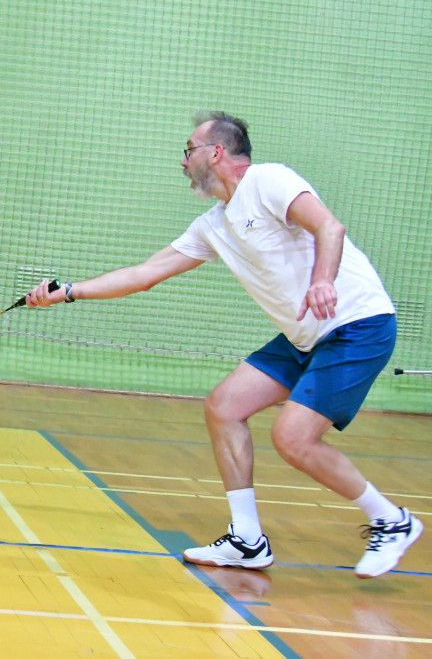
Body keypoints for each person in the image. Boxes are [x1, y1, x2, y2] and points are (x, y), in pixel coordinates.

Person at [25, 111, 421, 578]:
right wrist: (69, 290)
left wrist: (322, 281)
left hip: (356, 323)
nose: (182, 160)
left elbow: (330, 228)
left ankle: (390, 521)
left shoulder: (270, 181)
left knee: (292, 437)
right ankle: (247, 540)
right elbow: (144, 274)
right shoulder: (214, 225)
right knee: (224, 407)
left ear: (216, 153)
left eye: (188, 149)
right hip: (305, 333)